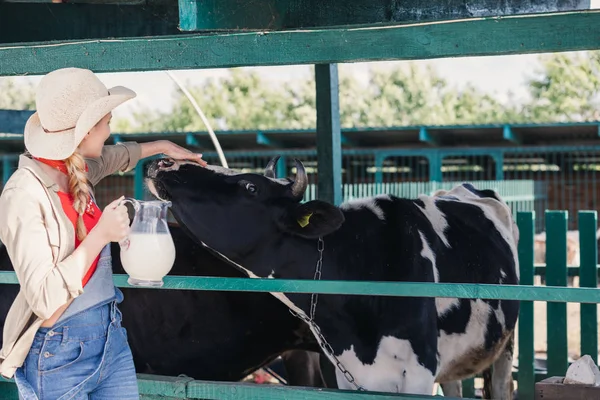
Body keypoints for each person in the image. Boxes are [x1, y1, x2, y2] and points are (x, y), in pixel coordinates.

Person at [0, 67, 207, 399]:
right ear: (84, 133)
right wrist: (101, 235)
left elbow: (114, 157)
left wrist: (163, 146)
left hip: (110, 335)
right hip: (59, 352)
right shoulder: (23, 195)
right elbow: (43, 297)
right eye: (107, 122)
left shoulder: (72, 169)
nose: (111, 131)